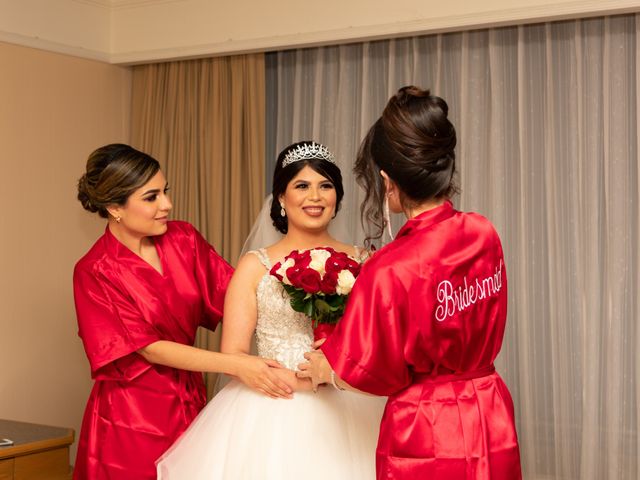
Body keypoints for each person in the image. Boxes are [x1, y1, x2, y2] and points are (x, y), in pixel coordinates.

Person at [298, 87, 522, 479]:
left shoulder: (390, 267)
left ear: (387, 179)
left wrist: (325, 369)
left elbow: (372, 373)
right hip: (488, 409)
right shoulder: (483, 232)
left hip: (429, 424)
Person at [156, 141, 386, 479]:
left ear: (337, 196)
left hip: (350, 402)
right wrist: (293, 380)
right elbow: (233, 354)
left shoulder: (365, 262)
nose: (315, 196)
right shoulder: (255, 266)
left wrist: (336, 369)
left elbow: (378, 345)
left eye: (326, 186)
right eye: (302, 186)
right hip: (272, 404)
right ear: (280, 197)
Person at [73, 144, 294, 480]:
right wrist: (238, 364)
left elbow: (240, 297)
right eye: (151, 197)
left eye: (166, 192)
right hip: (130, 418)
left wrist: (310, 296)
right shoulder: (95, 270)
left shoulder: (184, 239)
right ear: (114, 207)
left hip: (190, 399)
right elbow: (149, 347)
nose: (167, 205)